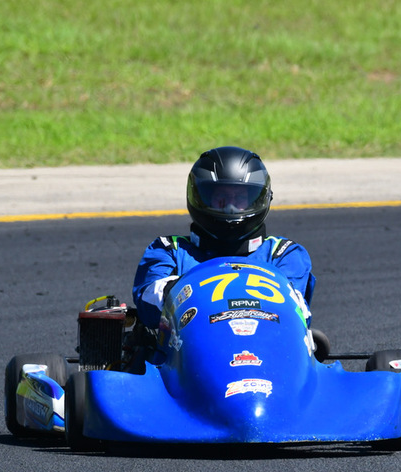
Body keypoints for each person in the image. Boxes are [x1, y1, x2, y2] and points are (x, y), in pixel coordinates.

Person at [126, 146, 316, 370]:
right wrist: (178, 291)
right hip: (185, 365)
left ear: (259, 199)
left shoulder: (283, 253)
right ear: (200, 197)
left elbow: (296, 313)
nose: (231, 208)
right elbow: (148, 305)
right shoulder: (170, 249)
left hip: (273, 361)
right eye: (220, 198)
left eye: (240, 198)